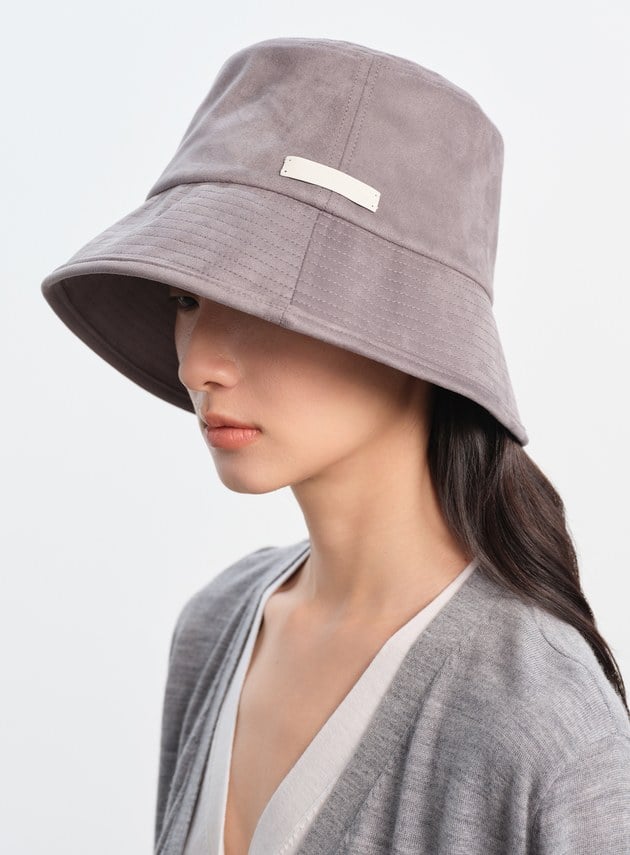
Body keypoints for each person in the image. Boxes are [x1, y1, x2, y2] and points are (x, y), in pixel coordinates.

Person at [40, 36, 630, 855]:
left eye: (260, 298)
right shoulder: (216, 625)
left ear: (412, 334)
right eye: (186, 297)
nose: (198, 364)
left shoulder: (542, 724)